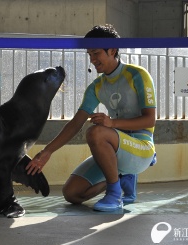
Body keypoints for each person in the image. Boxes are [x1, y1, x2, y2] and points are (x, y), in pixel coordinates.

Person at [26, 24, 157, 212]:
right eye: (89, 55)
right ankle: (121, 179)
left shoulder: (138, 75)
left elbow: (149, 120)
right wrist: (47, 152)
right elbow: (75, 124)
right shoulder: (96, 86)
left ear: (112, 51)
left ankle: (114, 195)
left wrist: (111, 123)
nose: (92, 60)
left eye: (96, 53)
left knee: (96, 133)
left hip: (141, 148)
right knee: (72, 194)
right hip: (115, 149)